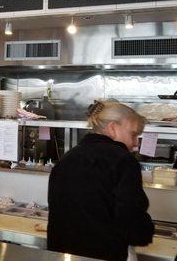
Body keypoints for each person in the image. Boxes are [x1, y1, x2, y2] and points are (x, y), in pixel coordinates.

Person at [47, 99, 154, 261]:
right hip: (104, 254)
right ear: (112, 128)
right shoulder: (123, 161)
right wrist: (146, 230)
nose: (135, 143)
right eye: (133, 134)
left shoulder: (67, 158)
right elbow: (132, 225)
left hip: (62, 254)